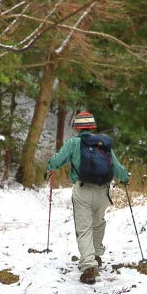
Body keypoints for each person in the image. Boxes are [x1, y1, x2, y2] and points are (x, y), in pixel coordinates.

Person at [46, 111, 130, 284]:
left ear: (77, 128)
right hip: (103, 192)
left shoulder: (73, 143)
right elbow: (118, 168)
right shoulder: (103, 144)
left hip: (83, 190)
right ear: (92, 127)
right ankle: (97, 256)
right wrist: (126, 178)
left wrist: (49, 166)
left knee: (84, 229)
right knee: (98, 223)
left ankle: (89, 266)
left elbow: (56, 162)